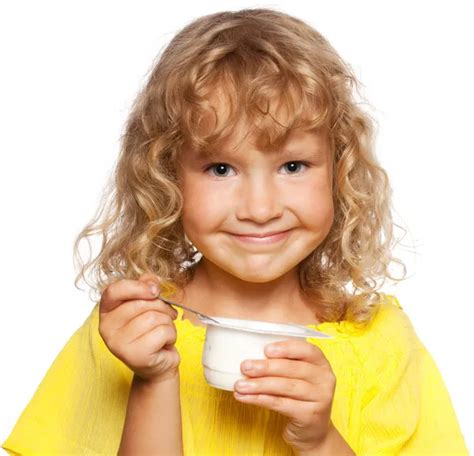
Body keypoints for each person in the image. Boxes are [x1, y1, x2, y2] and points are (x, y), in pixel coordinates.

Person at [2, 7, 469, 455]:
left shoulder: (378, 341)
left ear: (338, 170)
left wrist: (319, 440)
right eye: (221, 168)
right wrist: (155, 379)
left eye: (293, 165)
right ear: (168, 176)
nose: (260, 209)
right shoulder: (136, 331)